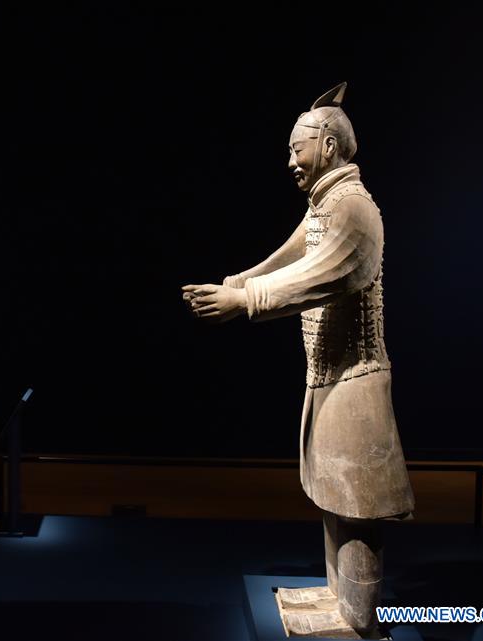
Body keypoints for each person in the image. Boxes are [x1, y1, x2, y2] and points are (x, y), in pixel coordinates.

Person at [182, 82, 414, 636]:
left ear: (329, 146)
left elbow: (324, 273)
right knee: (333, 491)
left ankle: (359, 621)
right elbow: (292, 255)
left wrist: (244, 301)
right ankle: (340, 600)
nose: (290, 160)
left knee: (355, 499)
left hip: (355, 377)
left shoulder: (354, 208)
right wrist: (239, 281)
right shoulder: (327, 205)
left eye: (298, 147)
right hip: (330, 375)